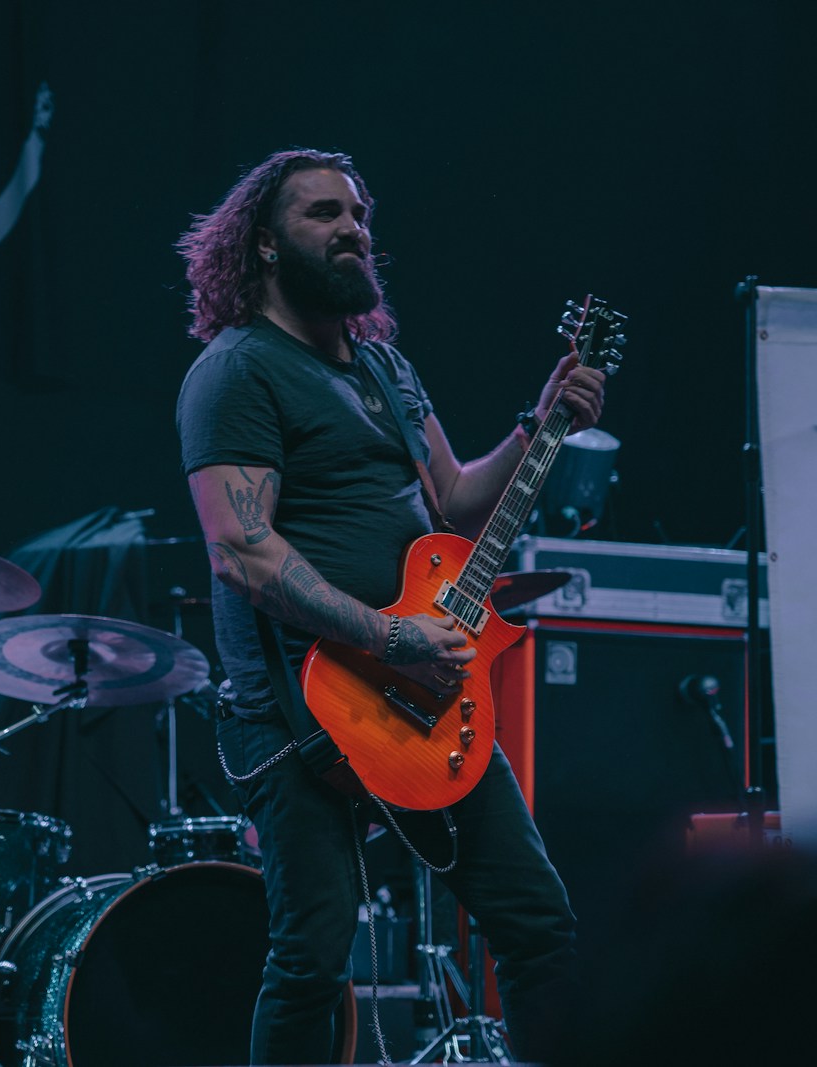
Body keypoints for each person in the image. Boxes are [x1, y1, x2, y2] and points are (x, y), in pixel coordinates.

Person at [175, 148, 606, 1065]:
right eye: (323, 214)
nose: (352, 229)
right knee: (312, 959)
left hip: (425, 693)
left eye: (359, 213)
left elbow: (453, 501)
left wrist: (542, 424)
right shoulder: (238, 371)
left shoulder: (384, 367)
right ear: (262, 246)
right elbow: (241, 549)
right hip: (301, 706)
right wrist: (388, 634)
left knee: (542, 930)